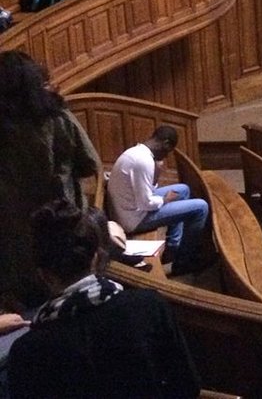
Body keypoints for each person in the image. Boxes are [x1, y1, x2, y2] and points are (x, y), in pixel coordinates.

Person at [6, 200, 200, 399]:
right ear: (97, 258)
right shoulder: (149, 305)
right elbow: (188, 386)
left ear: (43, 275)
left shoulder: (28, 352)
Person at [0, 51, 100, 308]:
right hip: (61, 221)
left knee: (27, 302)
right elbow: (90, 163)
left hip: (12, 233)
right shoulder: (56, 116)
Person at [106, 125, 210, 276]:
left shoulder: (136, 152)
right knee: (201, 207)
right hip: (133, 220)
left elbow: (145, 191)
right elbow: (146, 203)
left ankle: (173, 247)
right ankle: (184, 262)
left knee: (183, 189)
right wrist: (165, 200)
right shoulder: (143, 161)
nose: (167, 156)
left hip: (129, 209)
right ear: (166, 143)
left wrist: (157, 176)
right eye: (168, 151)